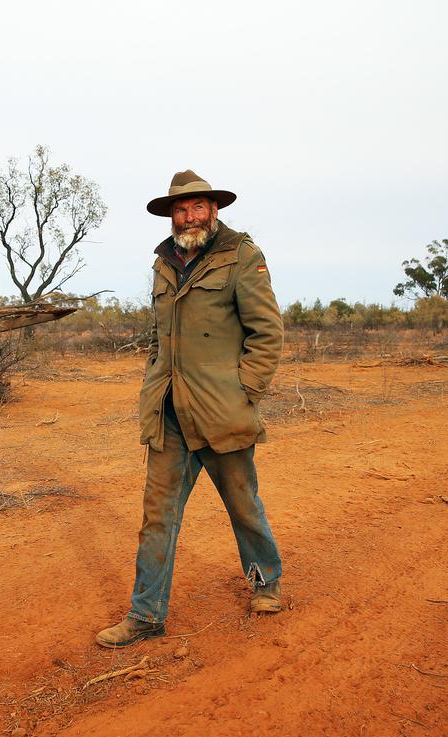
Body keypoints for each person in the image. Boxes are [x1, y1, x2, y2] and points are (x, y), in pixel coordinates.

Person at [96, 170, 285, 649]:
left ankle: (266, 583)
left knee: (243, 505)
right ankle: (146, 614)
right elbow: (162, 341)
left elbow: (267, 333)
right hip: (170, 415)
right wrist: (151, 384)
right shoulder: (163, 264)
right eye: (180, 210)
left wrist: (245, 392)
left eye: (197, 207)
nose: (189, 216)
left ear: (214, 210)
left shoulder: (242, 256)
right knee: (157, 516)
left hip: (222, 412)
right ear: (172, 216)